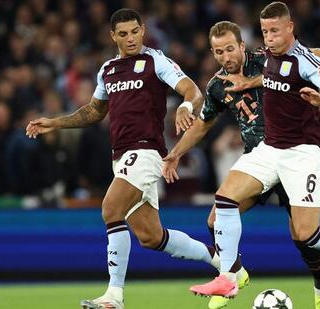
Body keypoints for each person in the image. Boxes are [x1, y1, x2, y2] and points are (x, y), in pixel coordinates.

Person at [26, 9, 220, 309]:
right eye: (123, 33)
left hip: (145, 151)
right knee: (151, 237)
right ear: (112, 36)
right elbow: (93, 111)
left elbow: (192, 90)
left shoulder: (156, 60)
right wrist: (55, 122)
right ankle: (219, 260)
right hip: (121, 156)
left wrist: (185, 107)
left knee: (110, 209)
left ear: (143, 30)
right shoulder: (108, 70)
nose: (130, 38)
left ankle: (114, 296)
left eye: (134, 31)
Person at [189, 2, 320, 306]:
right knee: (224, 200)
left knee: (307, 235)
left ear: (290, 28)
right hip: (270, 148)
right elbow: (272, 76)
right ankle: (228, 277)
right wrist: (250, 82)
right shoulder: (266, 58)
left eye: (275, 30)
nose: (270, 37)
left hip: (302, 153)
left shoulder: (304, 61)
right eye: (265, 31)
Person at [162, 20, 320, 309]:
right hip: (258, 161)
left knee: (304, 238)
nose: (226, 57)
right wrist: (176, 152)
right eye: (218, 52)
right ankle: (235, 275)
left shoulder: (266, 59)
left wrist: (256, 81)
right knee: (216, 220)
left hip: (292, 156)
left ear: (242, 46)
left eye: (230, 49)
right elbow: (203, 123)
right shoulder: (218, 85)